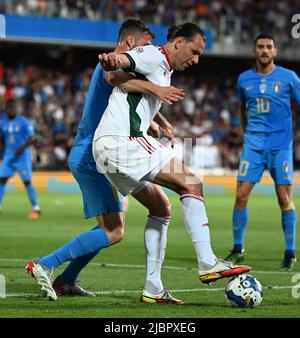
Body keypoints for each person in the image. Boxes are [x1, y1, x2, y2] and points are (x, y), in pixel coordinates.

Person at [26, 19, 185, 304]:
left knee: (113, 225)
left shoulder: (122, 71)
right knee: (114, 230)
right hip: (95, 156)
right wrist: (157, 109)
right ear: (129, 43)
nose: (150, 50)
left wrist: (157, 120)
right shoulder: (112, 66)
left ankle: (66, 280)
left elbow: (131, 96)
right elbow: (120, 83)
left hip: (100, 154)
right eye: (146, 44)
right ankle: (45, 264)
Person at [93, 22, 251, 288]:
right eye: (195, 51)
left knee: (161, 208)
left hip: (109, 147)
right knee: (191, 182)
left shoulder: (163, 69)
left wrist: (159, 120)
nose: (197, 59)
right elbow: (119, 64)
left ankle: (153, 288)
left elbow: (121, 81)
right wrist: (112, 60)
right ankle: (208, 263)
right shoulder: (154, 55)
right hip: (123, 141)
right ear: (178, 43)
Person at [224, 33, 300, 271]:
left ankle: (290, 252)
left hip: (280, 147)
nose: (265, 50)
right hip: (253, 147)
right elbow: (241, 107)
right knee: (240, 196)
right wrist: (246, 133)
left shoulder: (289, 78)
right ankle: (238, 249)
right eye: (260, 47)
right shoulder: (244, 79)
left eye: (269, 47)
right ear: (254, 51)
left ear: (275, 51)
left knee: (284, 198)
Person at [0, 99, 41, 219]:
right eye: (9, 108)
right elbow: (2, 139)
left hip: (22, 157)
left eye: (13, 108)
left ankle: (36, 208)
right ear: (5, 109)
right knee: (2, 180)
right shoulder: (3, 123)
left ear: (16, 109)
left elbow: (34, 138)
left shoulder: (24, 122)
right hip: (8, 156)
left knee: (26, 181)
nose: (11, 110)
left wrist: (22, 148)